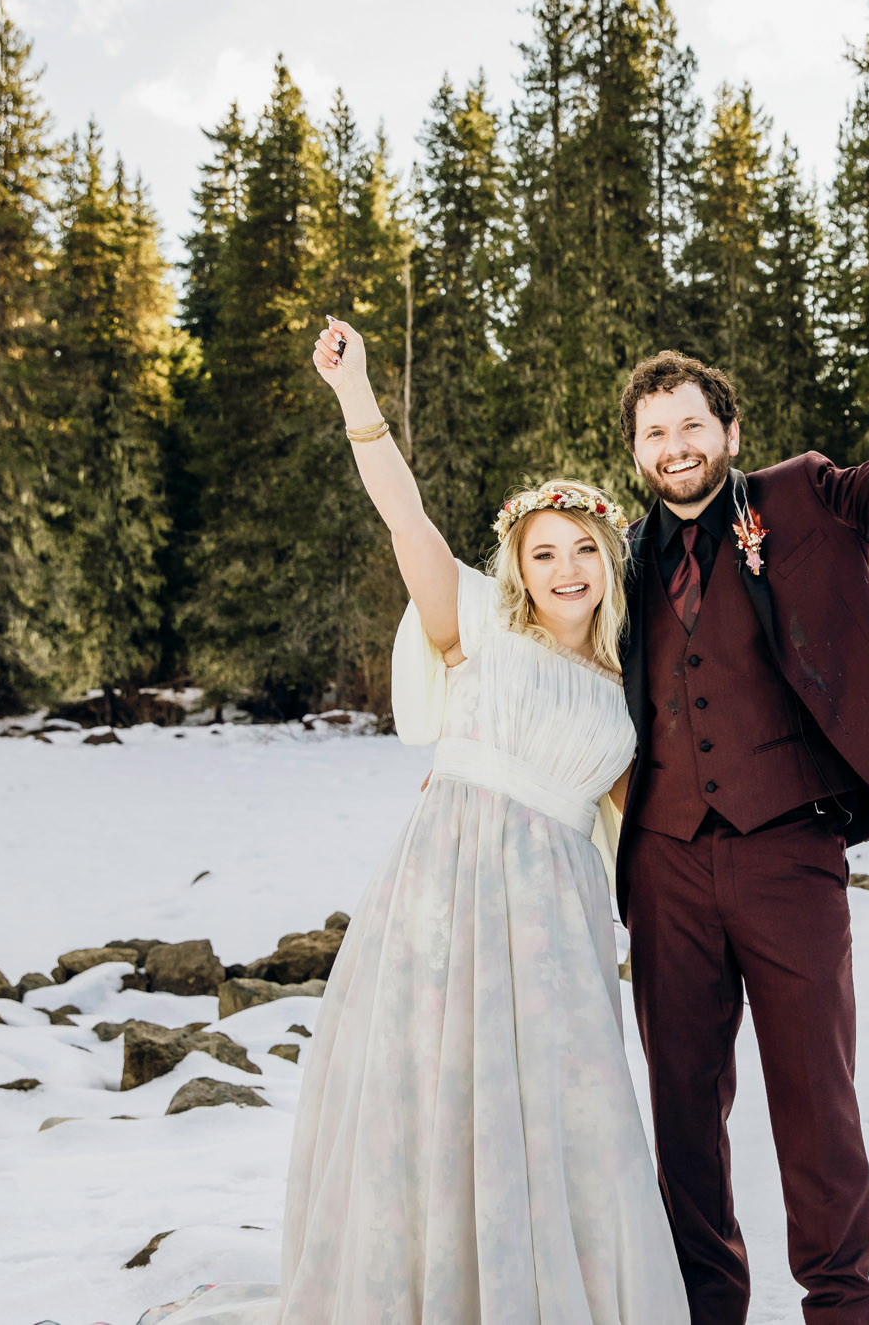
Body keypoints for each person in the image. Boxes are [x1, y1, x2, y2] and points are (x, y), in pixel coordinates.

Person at [144, 318, 688, 1325]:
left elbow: (654, 821)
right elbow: (407, 523)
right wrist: (356, 399)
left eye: (583, 551)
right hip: (445, 894)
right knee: (433, 1102)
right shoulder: (475, 624)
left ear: (610, 562)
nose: (565, 569)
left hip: (557, 931)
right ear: (517, 565)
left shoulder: (627, 692)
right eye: (544, 552)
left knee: (566, 1118)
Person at [616, 278, 869, 1325]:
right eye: (655, 431)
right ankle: (708, 1308)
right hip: (661, 868)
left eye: (691, 423)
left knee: (816, 1104)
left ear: (727, 430)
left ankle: (839, 1306)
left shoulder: (800, 500)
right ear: (636, 452)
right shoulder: (616, 560)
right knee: (682, 1115)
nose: (675, 444)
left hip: (787, 852)